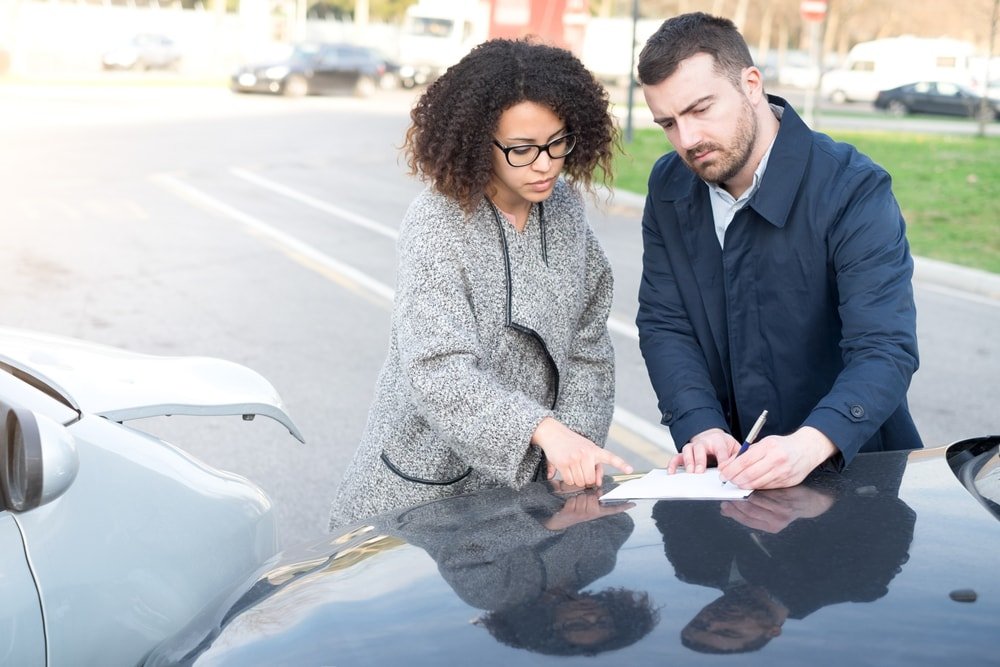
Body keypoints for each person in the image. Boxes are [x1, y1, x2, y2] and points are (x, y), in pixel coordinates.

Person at [329, 38, 632, 529]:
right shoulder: (436, 223)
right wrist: (541, 428)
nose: (545, 164)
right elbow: (438, 367)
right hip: (424, 486)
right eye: (521, 149)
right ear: (476, 140)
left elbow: (587, 344)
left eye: (558, 142)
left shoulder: (566, 209)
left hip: (534, 489)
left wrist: (571, 447)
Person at [634, 12, 922, 490]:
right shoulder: (669, 184)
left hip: (854, 480)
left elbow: (884, 348)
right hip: (727, 485)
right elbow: (666, 322)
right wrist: (699, 423)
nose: (687, 140)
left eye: (701, 109)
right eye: (668, 123)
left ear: (751, 84)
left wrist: (809, 443)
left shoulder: (853, 189)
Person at [653, 452, 915, 654]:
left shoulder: (693, 567)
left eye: (700, 624)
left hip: (745, 447)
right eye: (729, 632)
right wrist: (826, 503)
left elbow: (670, 508)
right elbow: (894, 517)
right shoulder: (857, 586)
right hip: (858, 455)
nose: (713, 621)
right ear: (772, 632)